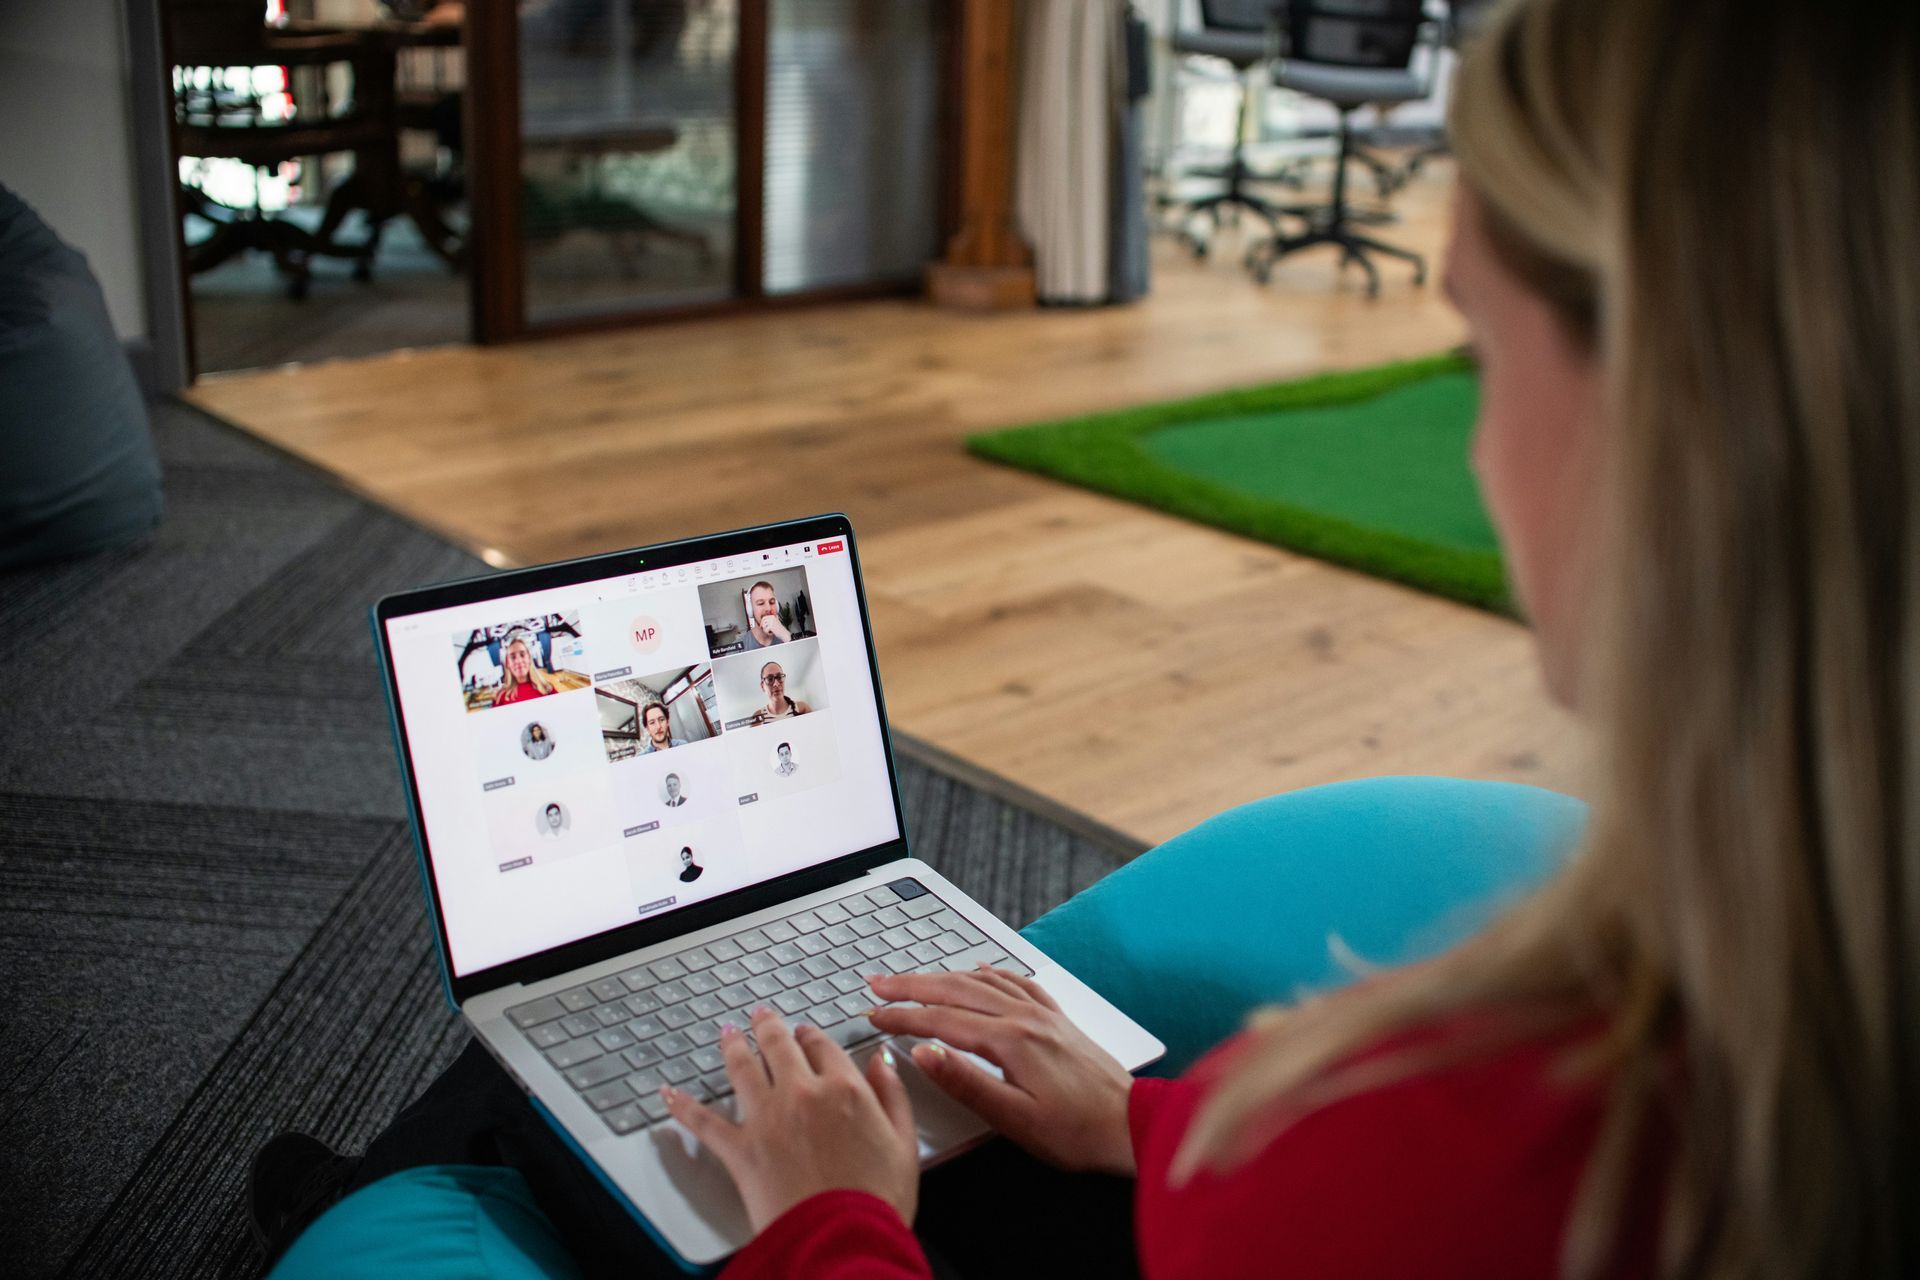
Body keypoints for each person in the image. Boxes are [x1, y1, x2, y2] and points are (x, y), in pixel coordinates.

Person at [252, 3, 1919, 1276]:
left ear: (1671, 423)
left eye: (1478, 356)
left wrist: (834, 1225)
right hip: (1163, 1175)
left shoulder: (1557, 1133)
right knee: (658, 1049)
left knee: (556, 1079)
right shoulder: (1772, 1017)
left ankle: (367, 1197)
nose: (1475, 450)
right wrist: (1145, 1124)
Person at [491, 633, 555, 707]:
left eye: (522, 655)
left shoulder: (547, 688)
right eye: (513, 657)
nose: (518, 661)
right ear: (508, 663)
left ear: (529, 659)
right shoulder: (500, 697)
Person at [735, 582, 790, 650]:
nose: (768, 608)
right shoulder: (738, 648)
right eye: (761, 603)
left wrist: (785, 636)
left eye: (772, 602)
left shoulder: (786, 636)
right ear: (750, 610)